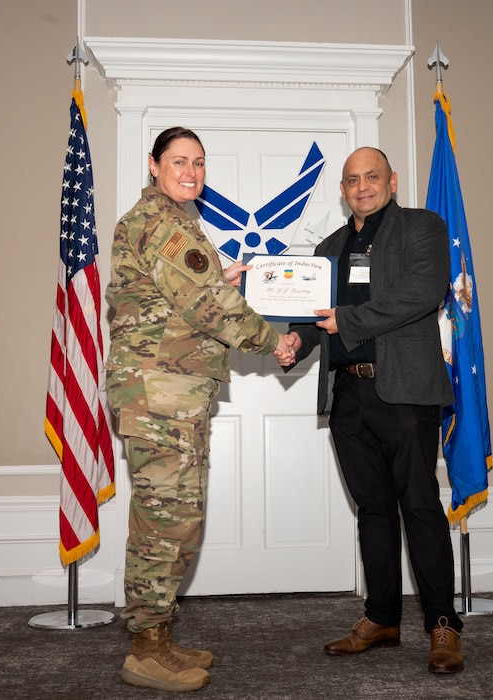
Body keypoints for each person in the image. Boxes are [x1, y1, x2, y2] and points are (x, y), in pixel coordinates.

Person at [105, 126, 295, 692]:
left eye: (199, 162)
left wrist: (222, 277)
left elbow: (188, 292)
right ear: (154, 165)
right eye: (179, 161)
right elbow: (209, 306)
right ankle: (145, 649)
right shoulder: (163, 223)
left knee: (172, 517)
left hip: (169, 391)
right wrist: (274, 341)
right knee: (165, 522)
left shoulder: (171, 222)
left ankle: (158, 634)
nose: (191, 172)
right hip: (160, 393)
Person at [280, 146, 465, 674]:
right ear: (342, 190)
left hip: (404, 392)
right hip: (348, 396)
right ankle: (382, 619)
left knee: (420, 507)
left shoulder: (422, 227)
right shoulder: (329, 247)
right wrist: (295, 341)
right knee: (374, 511)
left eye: (372, 176)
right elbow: (316, 317)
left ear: (392, 180)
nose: (362, 186)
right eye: (353, 180)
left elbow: (423, 292)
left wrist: (348, 320)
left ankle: (443, 625)